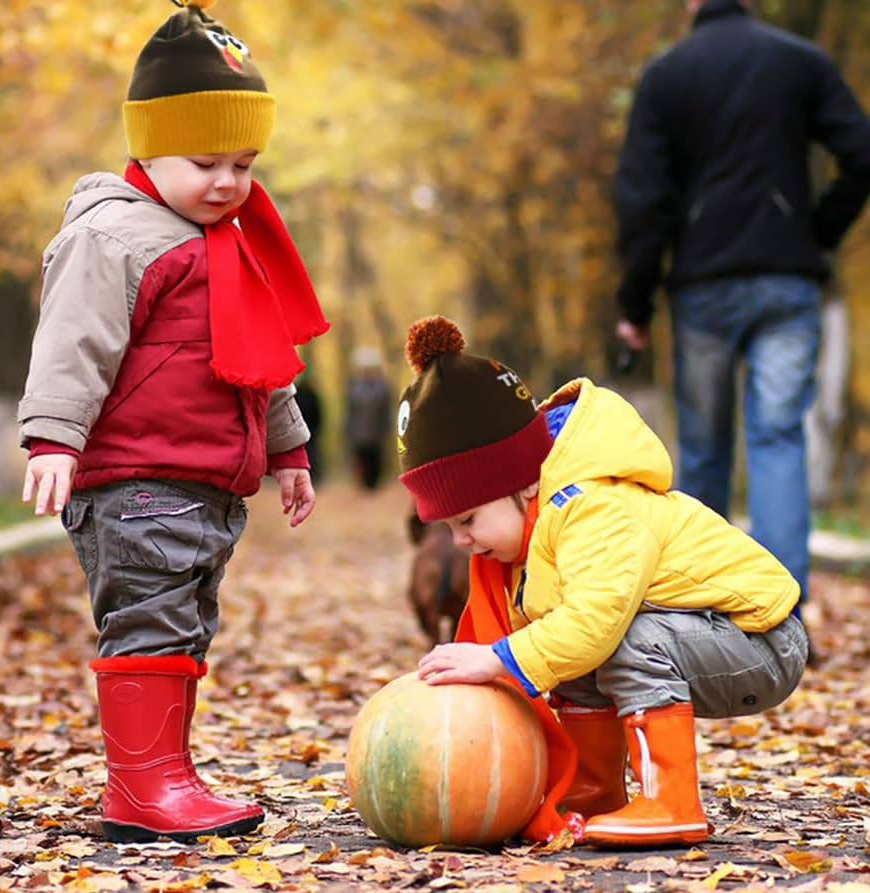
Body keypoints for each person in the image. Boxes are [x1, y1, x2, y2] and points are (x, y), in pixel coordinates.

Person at [17, 0, 329, 844]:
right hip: (137, 477)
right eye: (205, 164)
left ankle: (164, 773)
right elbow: (71, 341)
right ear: (149, 153)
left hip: (204, 481)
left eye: (244, 165)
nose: (228, 183)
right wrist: (53, 436)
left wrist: (289, 451)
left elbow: (263, 364)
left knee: (185, 622)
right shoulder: (114, 236)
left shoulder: (224, 243)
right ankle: (142, 787)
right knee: (149, 616)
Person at [400, 316, 807, 847]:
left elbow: (594, 620)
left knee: (612, 636)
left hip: (760, 640)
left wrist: (499, 657)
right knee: (568, 647)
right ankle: (594, 791)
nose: (460, 542)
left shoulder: (593, 507)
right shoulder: (532, 532)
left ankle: (672, 801)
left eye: (468, 519)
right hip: (701, 634)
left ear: (520, 483)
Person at [613, 0, 870, 628]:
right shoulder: (800, 62)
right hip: (787, 280)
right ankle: (781, 614)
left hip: (702, 286)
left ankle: (705, 614)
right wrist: (816, 231)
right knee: (778, 438)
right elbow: (861, 153)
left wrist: (635, 302)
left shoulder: (666, 76)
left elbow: (642, 201)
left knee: (702, 449)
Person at [344, 346, 392, 490]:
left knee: (375, 458)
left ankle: (374, 484)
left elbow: (385, 410)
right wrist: (348, 428)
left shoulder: (382, 387)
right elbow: (350, 410)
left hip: (376, 431)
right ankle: (364, 484)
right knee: (361, 458)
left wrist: (386, 427)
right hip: (359, 432)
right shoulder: (354, 386)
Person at [293, 372, 324, 483]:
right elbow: (318, 414)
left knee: (309, 453)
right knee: (310, 453)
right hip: (308, 430)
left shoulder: (297, 395)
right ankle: (310, 475)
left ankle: (310, 475)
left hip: (305, 430)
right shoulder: (310, 395)